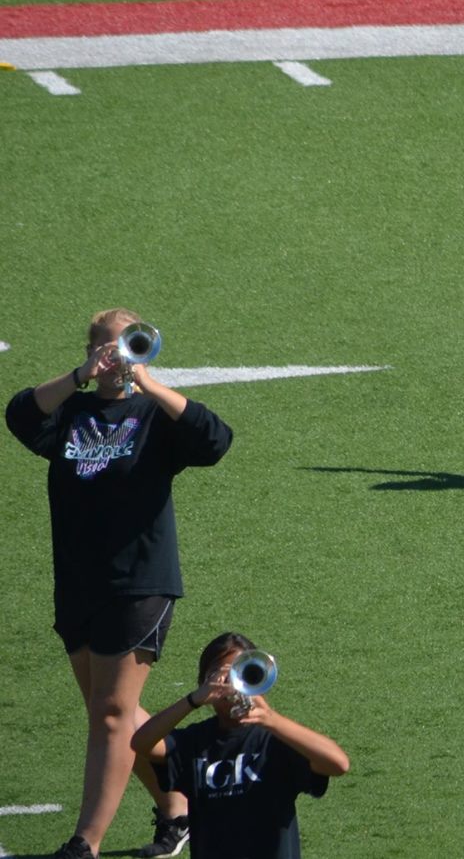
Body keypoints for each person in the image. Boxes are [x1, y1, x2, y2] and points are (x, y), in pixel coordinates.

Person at [6, 310, 234, 859]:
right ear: (91, 351)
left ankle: (85, 842)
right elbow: (19, 415)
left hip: (139, 582)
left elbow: (215, 440)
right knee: (116, 714)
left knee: (110, 714)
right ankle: (179, 809)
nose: (117, 359)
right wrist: (79, 376)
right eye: (107, 349)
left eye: (130, 347)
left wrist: (149, 384)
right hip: (78, 584)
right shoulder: (71, 413)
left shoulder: (154, 416)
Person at [131, 631, 349, 859]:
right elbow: (141, 743)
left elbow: (338, 763)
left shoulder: (276, 740)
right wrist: (193, 700)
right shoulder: (195, 740)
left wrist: (271, 719)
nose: (231, 686)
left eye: (241, 672)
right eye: (220, 675)